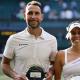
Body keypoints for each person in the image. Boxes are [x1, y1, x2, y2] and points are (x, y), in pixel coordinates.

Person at [1, 1, 57, 80]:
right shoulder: (13, 39)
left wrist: (51, 73)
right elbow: (4, 64)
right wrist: (15, 76)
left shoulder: (52, 39)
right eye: (30, 13)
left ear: (42, 16)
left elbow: (54, 64)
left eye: (37, 13)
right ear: (24, 16)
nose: (33, 16)